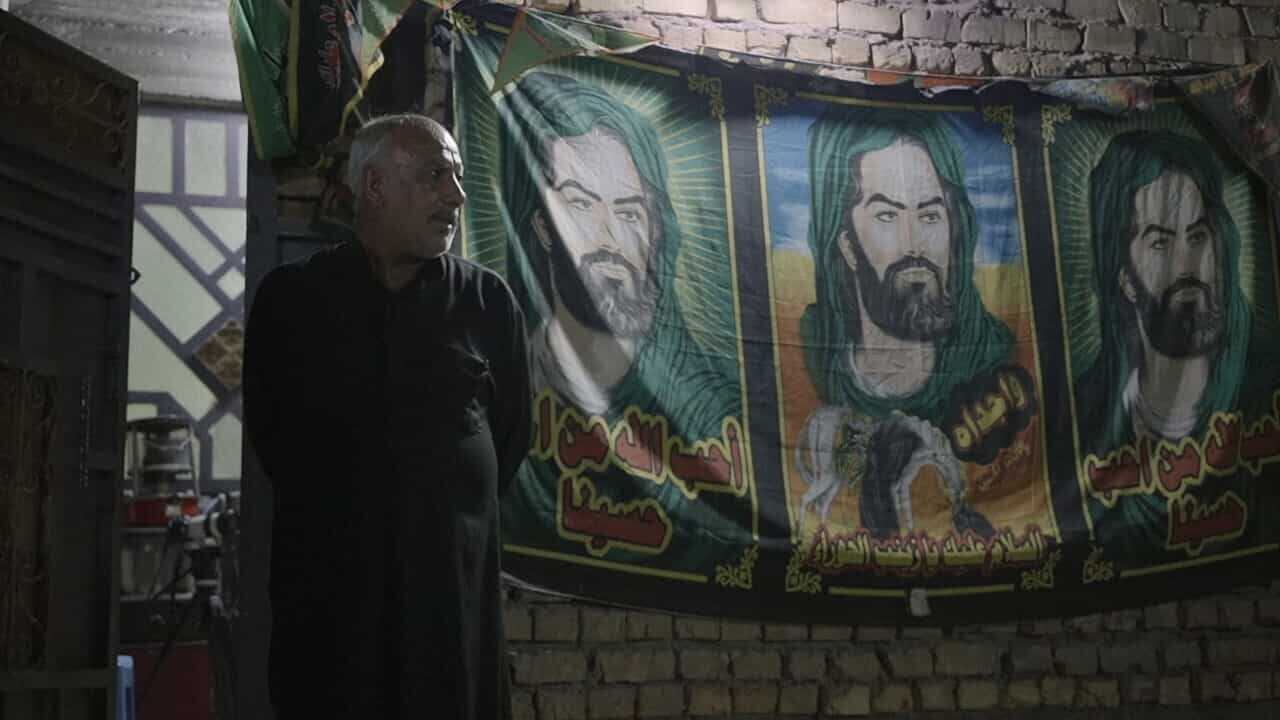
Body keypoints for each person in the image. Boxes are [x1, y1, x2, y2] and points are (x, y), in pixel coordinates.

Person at [243, 114, 531, 719]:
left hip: (450, 636)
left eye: (457, 176)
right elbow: (274, 442)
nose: (456, 196)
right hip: (333, 637)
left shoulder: (488, 305)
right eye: (434, 176)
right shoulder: (292, 303)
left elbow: (509, 440)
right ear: (374, 185)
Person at [493, 71, 746, 574]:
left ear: (655, 230)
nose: (610, 238)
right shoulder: (506, 378)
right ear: (542, 226)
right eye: (581, 206)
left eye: (629, 213)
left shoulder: (715, 403)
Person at [795, 106, 1013, 537]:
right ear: (847, 246)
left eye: (930, 216)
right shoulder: (805, 361)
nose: (915, 244)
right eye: (887, 216)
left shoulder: (996, 360)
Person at [1075, 129, 1273, 554]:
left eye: (1198, 237)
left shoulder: (1264, 393)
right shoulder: (1084, 416)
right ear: (1124, 277)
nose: (1188, 266)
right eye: (1160, 243)